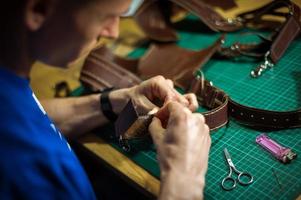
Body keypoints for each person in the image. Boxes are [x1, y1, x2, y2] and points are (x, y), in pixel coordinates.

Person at [0, 0, 211, 199]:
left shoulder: (9, 86)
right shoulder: (35, 172)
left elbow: (33, 113)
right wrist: (183, 182)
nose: (113, 33)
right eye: (107, 17)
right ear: (39, 9)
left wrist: (111, 102)